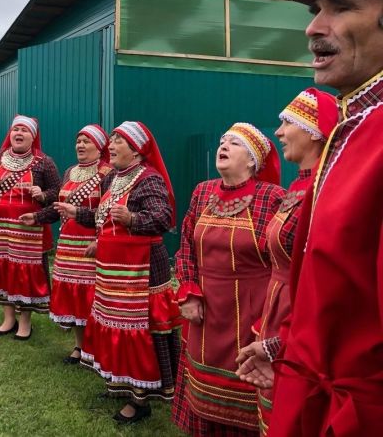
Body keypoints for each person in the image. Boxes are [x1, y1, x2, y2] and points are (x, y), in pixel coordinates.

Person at [240, 0, 383, 436]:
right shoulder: (357, 128)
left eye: (340, 7)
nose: (313, 28)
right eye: (317, 10)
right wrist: (287, 346)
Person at [56, 121, 182, 423]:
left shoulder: (148, 179)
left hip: (142, 271)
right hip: (114, 270)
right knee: (114, 326)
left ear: (137, 151)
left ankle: (141, 399)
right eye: (111, 140)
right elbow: (104, 217)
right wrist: (79, 214)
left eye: (119, 141)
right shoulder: (114, 177)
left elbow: (162, 218)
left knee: (140, 330)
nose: (111, 145)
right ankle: (121, 385)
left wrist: (132, 218)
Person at [233, 89, 336, 435]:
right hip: (279, 312)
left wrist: (283, 339)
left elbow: (319, 280)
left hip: (299, 318)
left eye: (286, 123)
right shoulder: (299, 187)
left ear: (314, 131)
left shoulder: (321, 191)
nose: (278, 132)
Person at [172, 122, 285, 436]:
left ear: (252, 160)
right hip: (205, 311)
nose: (223, 146)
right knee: (203, 391)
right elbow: (185, 248)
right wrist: (190, 291)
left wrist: (270, 318)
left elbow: (283, 261)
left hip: (249, 312)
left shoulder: (272, 197)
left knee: (246, 381)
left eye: (234, 143)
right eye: (222, 141)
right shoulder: (202, 192)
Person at [20, 124, 112, 363]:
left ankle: (97, 349)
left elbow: (108, 214)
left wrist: (98, 238)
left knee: (92, 298)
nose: (80, 145)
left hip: (91, 246)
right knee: (75, 298)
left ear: (100, 146)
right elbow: (60, 208)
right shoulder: (70, 172)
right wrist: (38, 217)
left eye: (86, 141)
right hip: (68, 246)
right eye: (78, 141)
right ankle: (79, 347)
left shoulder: (107, 173)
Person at [0, 115, 61, 340]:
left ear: (33, 137)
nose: (18, 134)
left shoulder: (43, 162)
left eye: (24, 130)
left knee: (24, 275)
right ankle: (8, 318)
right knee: (4, 271)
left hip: (27, 230)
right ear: (10, 134)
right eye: (15, 130)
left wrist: (42, 194)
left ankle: (25, 322)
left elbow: (58, 192)